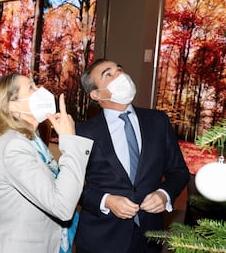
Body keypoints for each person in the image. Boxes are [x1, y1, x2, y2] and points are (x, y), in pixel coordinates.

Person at [75, 59, 190, 253]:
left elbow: (178, 172)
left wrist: (164, 194)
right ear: (96, 94)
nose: (119, 75)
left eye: (119, 69)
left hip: (149, 238)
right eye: (108, 74)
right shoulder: (83, 132)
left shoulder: (158, 122)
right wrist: (107, 200)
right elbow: (70, 186)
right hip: (100, 239)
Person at [0, 73, 93, 253]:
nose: (40, 90)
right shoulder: (14, 146)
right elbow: (61, 206)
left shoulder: (31, 141)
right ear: (13, 106)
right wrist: (71, 143)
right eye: (31, 88)